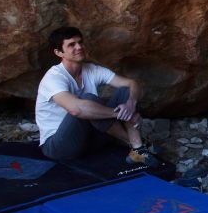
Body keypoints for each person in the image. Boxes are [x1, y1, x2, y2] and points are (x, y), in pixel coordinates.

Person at [35, 27, 159, 165]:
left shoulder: (91, 69)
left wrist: (130, 104)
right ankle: (135, 143)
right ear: (59, 53)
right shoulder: (53, 78)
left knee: (125, 91)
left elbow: (132, 84)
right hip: (59, 146)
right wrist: (122, 114)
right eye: (71, 45)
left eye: (80, 42)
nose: (79, 47)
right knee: (89, 101)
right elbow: (76, 109)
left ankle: (137, 148)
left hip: (89, 140)